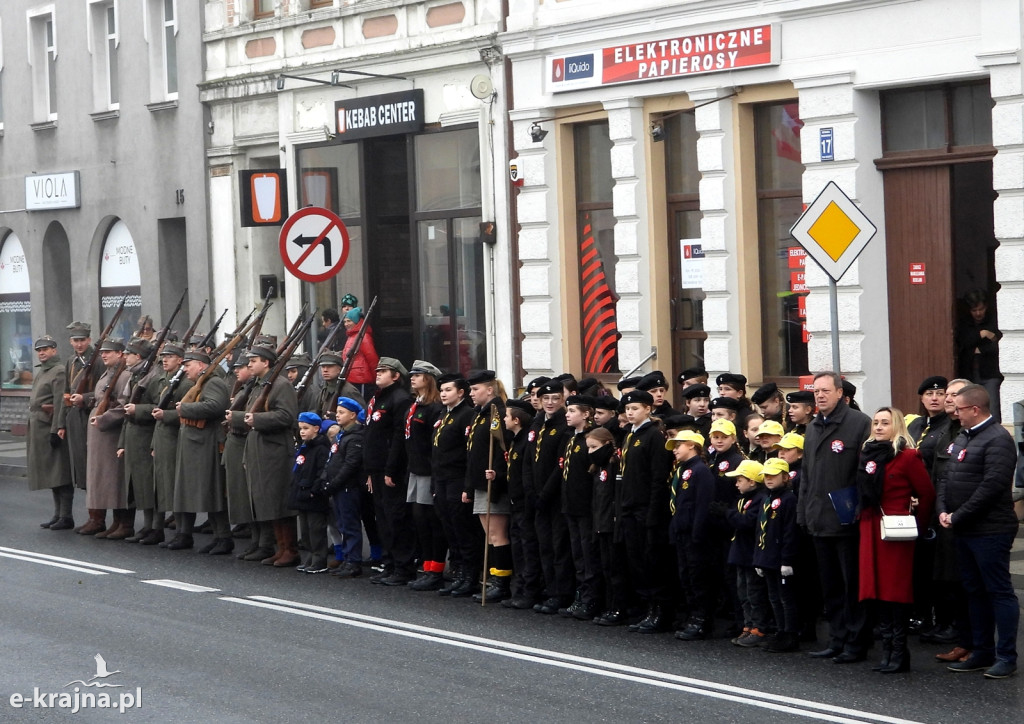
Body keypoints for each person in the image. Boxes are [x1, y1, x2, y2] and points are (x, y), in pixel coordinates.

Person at [938, 384, 1019, 679]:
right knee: (973, 591)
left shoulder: (998, 439)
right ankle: (981, 651)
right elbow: (946, 477)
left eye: (958, 409)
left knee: (998, 591)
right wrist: (943, 510)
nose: (955, 414)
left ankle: (1006, 656)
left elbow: (992, 486)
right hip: (963, 528)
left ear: (975, 409)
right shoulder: (964, 436)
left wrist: (958, 515)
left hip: (990, 530)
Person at [797, 371, 872, 664]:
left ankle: (857, 641)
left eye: (826, 391)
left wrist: (856, 510)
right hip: (818, 519)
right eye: (816, 392)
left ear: (840, 393)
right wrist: (803, 512)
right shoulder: (814, 426)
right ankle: (837, 639)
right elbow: (807, 476)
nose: (820, 396)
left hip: (846, 521)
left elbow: (864, 473)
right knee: (830, 587)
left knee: (851, 585)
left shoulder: (858, 423)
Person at [857, 407, 935, 674]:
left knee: (895, 590)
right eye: (876, 422)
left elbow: (926, 494)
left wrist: (917, 526)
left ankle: (900, 652)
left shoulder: (908, 457)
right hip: (870, 528)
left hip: (896, 531)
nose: (878, 427)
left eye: (885, 423)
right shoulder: (867, 454)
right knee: (876, 589)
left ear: (897, 427)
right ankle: (887, 650)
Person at [166, 350, 232, 553]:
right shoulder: (199, 384)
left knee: (212, 492)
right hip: (192, 443)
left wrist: (184, 409)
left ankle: (223, 537)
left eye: (188, 365)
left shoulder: (213, 383)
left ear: (201, 366)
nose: (185, 369)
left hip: (207, 443)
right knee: (186, 491)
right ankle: (184, 534)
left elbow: (215, 406)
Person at [243, 344, 300, 566]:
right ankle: (281, 547)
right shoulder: (260, 385)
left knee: (280, 501)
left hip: (276, 450)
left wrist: (256, 420)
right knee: (270, 501)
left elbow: (286, 417)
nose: (249, 364)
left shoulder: (281, 385)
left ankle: (291, 549)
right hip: (262, 449)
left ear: (266, 362)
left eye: (254, 360)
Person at [364, 357, 415, 585]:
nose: (379, 374)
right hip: (375, 467)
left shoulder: (400, 399)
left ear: (396, 376)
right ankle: (389, 563)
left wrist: (391, 469)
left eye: (384, 371)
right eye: (378, 370)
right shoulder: (377, 397)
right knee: (382, 518)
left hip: (390, 468)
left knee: (396, 518)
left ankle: (403, 567)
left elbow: (397, 438)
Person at [524, 380, 574, 614]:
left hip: (554, 497)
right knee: (544, 546)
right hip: (536, 496)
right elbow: (527, 460)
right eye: (546, 399)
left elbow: (560, 465)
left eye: (555, 398)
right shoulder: (536, 424)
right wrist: (530, 490)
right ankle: (549, 588)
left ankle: (561, 593)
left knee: (558, 547)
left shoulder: (564, 426)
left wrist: (545, 493)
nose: (550, 403)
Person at [463, 370, 512, 603]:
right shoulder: (479, 414)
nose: (471, 394)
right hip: (480, 482)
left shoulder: (497, 414)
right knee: (489, 535)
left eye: (475, 389)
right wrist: (469, 485)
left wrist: (499, 475)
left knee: (497, 534)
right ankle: (494, 577)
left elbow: (505, 450)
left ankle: (502, 582)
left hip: (494, 482)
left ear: (490, 390)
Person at [432, 373, 479, 596]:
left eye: (448, 390)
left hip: (457, 478)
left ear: (461, 392)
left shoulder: (466, 415)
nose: (443, 393)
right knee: (448, 526)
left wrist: (467, 486)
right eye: (441, 390)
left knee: (462, 528)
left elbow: (469, 453)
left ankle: (469, 576)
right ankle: (458, 572)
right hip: (441, 478)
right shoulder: (444, 414)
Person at [667, 430, 716, 640]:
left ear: (692, 445)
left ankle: (702, 620)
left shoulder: (700, 471)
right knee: (686, 577)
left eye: (679, 445)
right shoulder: (683, 470)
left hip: (694, 536)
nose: (675, 449)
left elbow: (703, 505)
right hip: (681, 532)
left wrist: (697, 535)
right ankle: (691, 615)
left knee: (698, 579)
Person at [404, 360, 447, 591]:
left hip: (428, 470)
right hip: (415, 469)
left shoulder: (433, 408)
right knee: (420, 520)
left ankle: (436, 569)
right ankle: (427, 566)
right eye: (412, 374)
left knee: (431, 520)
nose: (412, 378)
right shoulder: (416, 405)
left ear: (428, 379)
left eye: (418, 375)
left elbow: (433, 444)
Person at [81, 338, 131, 537]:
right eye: (102, 352)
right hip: (99, 435)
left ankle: (123, 523)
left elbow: (122, 405)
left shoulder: (124, 374)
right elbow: (101, 397)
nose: (103, 354)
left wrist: (104, 419)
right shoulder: (107, 373)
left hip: (110, 434)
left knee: (115, 479)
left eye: (109, 352)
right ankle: (108, 521)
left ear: (120, 354)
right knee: (101, 478)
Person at [147, 343, 193, 546]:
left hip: (176, 439)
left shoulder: (185, 383)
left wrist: (167, 415)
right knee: (162, 486)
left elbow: (187, 411)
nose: (165, 360)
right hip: (162, 437)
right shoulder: (163, 379)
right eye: (163, 357)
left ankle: (184, 533)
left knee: (178, 487)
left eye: (170, 356)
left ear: (180, 360)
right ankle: (159, 530)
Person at [754, 458, 801, 653]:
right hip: (768, 557)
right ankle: (780, 631)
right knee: (774, 597)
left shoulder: (789, 499)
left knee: (785, 598)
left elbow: (790, 532)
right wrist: (758, 558)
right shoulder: (767, 498)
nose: (769, 479)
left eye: (774, 475)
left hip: (781, 558)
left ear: (785, 476)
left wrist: (787, 560)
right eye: (766, 476)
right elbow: (760, 530)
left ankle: (790, 634)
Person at [559, 394, 600, 619]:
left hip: (585, 507)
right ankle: (580, 596)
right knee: (577, 555)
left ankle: (591, 599)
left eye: (573, 411)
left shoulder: (590, 439)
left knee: (588, 554)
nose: (567, 414)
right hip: (570, 505)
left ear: (586, 414)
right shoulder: (571, 438)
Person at [27, 335, 74, 530]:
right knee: (51, 473)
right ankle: (57, 514)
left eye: (46, 349)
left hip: (50, 427)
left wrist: (57, 429)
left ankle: (66, 516)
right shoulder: (43, 371)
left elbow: (59, 403)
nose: (42, 353)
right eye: (39, 350)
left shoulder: (59, 371)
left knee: (60, 472)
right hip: (39, 426)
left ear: (54, 350)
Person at [723, 459, 769, 647]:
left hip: (751, 553)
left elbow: (747, 522)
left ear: (752, 481)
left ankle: (758, 628)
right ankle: (747, 625)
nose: (736, 484)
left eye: (740, 480)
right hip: (740, 553)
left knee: (754, 592)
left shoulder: (760, 499)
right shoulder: (741, 499)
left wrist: (728, 514)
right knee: (743, 592)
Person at [118, 338, 160, 542]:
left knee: (150, 484)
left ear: (140, 356)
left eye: (129, 353)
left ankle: (156, 527)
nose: (125, 357)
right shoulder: (135, 376)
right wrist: (122, 443)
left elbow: (159, 406)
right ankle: (147, 526)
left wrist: (139, 410)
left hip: (147, 436)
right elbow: (127, 410)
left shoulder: (153, 378)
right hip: (134, 436)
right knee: (138, 486)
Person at [60, 322, 103, 515]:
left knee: (91, 467)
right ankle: (92, 515)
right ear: (70, 341)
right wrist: (61, 422)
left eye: (82, 340)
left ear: (89, 340)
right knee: (80, 467)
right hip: (74, 416)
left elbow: (104, 390)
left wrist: (85, 398)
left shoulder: (98, 360)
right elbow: (65, 392)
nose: (79, 344)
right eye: (76, 341)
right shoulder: (72, 361)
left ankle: (97, 516)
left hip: (90, 415)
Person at [322, 397, 367, 579]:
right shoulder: (342, 435)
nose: (337, 416)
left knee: (350, 525)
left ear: (353, 415)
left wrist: (334, 484)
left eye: (341, 413)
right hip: (339, 488)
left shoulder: (355, 437)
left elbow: (350, 465)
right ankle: (347, 558)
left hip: (348, 488)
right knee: (342, 524)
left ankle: (354, 561)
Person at [503, 398, 538, 608]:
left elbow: (526, 474)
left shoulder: (526, 441)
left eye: (507, 416)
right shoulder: (515, 439)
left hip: (524, 502)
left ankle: (529, 591)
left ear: (516, 420)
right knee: (518, 546)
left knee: (527, 547)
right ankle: (519, 589)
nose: (504, 420)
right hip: (515, 501)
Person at [586, 427, 623, 624]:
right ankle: (608, 605)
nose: (591, 452)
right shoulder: (598, 468)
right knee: (604, 567)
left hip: (611, 523)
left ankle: (618, 607)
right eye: (589, 448)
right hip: (600, 523)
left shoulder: (614, 465)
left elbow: (615, 497)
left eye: (594, 447)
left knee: (615, 568)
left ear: (607, 444)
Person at [290, 412, 332, 574]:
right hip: (302, 493)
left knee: (316, 529)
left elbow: (322, 471)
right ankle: (309, 556)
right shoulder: (305, 447)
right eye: (300, 428)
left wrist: (315, 489)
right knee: (306, 530)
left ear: (316, 428)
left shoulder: (321, 448)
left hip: (314, 495)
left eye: (306, 428)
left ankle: (319, 559)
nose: (302, 432)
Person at [955, 290, 1002, 420]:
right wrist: (982, 334)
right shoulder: (964, 323)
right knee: (970, 408)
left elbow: (998, 345)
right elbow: (962, 342)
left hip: (990, 372)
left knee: (992, 408)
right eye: (974, 310)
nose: (978, 313)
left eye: (981, 309)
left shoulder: (994, 321)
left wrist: (980, 347)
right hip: (969, 372)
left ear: (986, 307)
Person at [341, 307, 379, 400]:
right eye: (345, 321)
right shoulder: (352, 336)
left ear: (356, 321)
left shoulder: (363, 336)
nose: (346, 324)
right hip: (352, 378)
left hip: (361, 380)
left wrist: (376, 378)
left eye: (349, 321)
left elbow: (372, 359)